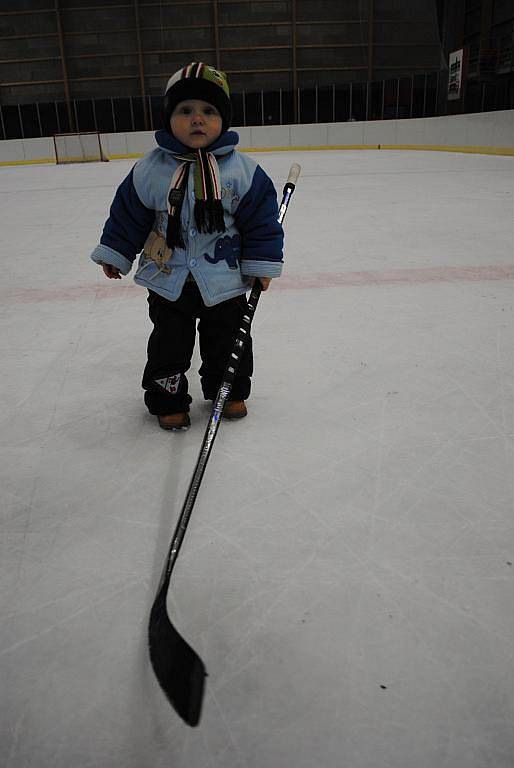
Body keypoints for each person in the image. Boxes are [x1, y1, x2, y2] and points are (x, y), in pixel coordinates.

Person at [90, 62, 284, 430]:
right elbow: (128, 215)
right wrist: (116, 252)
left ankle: (228, 391)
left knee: (229, 342)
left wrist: (261, 264)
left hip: (224, 280)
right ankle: (168, 398)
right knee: (169, 345)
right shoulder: (150, 170)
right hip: (168, 279)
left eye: (209, 111)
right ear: (169, 118)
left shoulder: (243, 172)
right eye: (185, 111)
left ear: (223, 120)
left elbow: (261, 222)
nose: (197, 119)